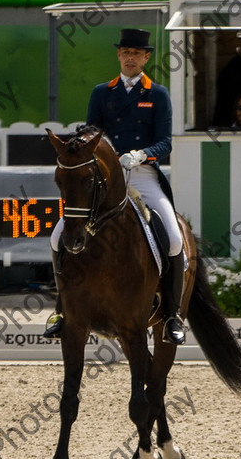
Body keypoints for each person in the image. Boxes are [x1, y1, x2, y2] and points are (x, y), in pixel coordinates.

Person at [45, 28, 186, 346]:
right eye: (126, 52)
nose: (131, 57)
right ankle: (61, 309)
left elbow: (166, 142)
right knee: (57, 237)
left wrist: (142, 155)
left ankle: (172, 315)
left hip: (143, 175)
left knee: (175, 240)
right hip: (106, 180)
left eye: (137, 53)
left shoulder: (157, 94)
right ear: (119, 55)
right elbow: (93, 130)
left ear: (146, 57)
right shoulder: (102, 92)